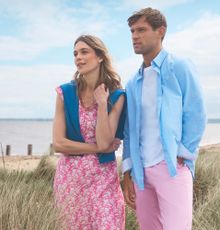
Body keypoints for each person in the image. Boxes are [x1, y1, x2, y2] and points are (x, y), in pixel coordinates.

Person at [122, 8, 206, 230]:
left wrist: (183, 154)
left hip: (172, 168)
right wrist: (128, 170)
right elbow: (129, 131)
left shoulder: (179, 67)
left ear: (161, 31)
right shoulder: (132, 83)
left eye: (141, 30)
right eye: (132, 31)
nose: (135, 36)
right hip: (142, 172)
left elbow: (196, 113)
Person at [53, 35, 126, 229]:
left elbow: (105, 142)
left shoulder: (117, 95)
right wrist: (97, 148)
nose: (78, 57)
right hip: (70, 181)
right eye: (75, 53)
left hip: (103, 180)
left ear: (100, 56)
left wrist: (102, 103)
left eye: (85, 52)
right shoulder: (65, 93)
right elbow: (59, 144)